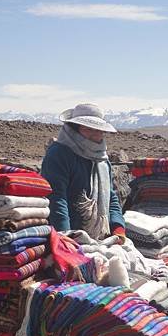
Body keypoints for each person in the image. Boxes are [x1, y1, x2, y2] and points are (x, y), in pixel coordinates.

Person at [41, 103, 126, 241]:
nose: (95, 134)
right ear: (74, 129)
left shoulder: (102, 160)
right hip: (68, 235)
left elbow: (111, 197)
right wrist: (66, 236)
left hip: (100, 236)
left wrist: (118, 228)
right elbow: (56, 197)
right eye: (88, 129)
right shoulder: (59, 154)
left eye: (99, 130)